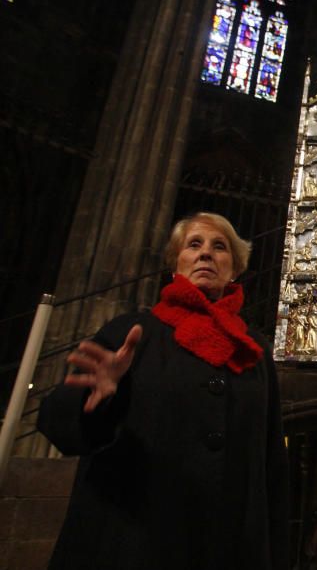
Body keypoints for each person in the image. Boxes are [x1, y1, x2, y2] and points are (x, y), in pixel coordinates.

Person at [39, 212, 289, 570]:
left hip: (227, 546)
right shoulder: (132, 333)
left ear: (233, 269)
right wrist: (103, 398)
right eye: (194, 244)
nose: (206, 254)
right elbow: (58, 420)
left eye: (219, 247)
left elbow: (271, 465)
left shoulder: (255, 350)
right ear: (176, 265)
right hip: (135, 540)